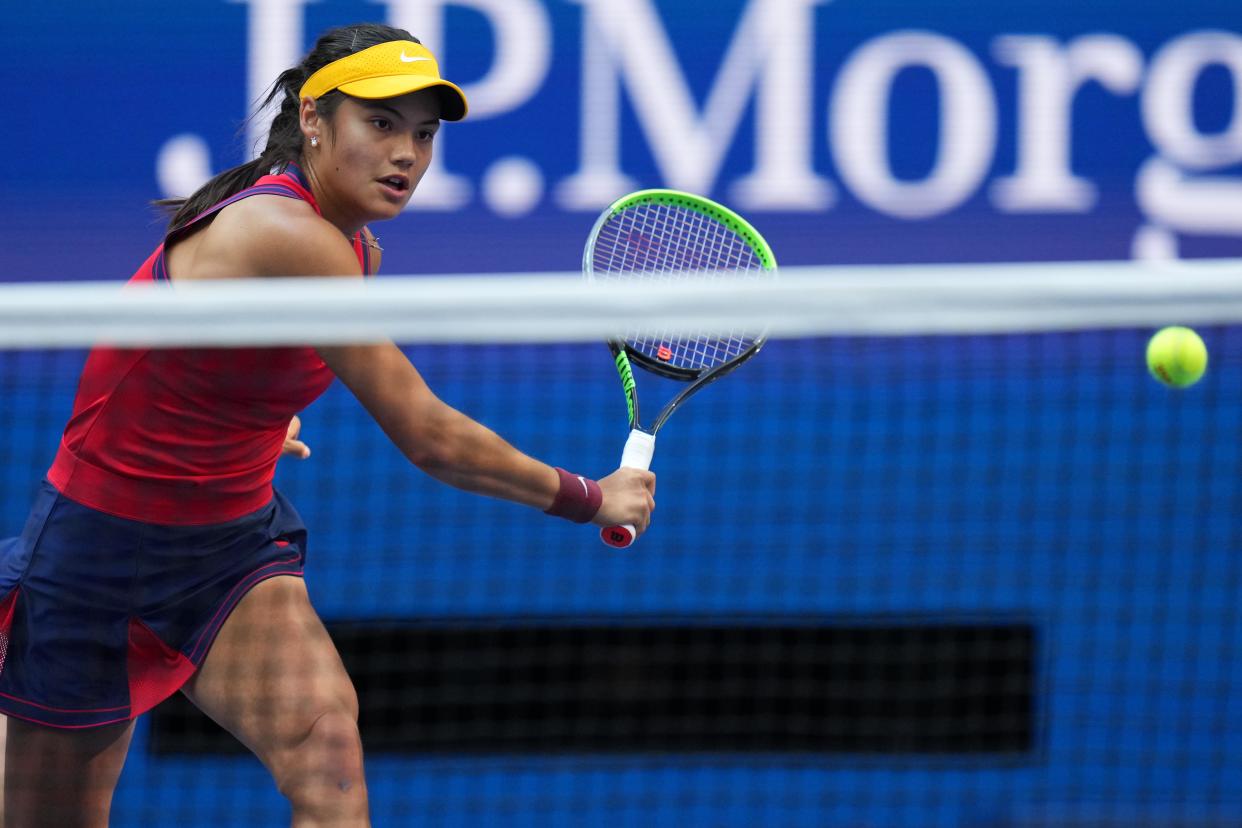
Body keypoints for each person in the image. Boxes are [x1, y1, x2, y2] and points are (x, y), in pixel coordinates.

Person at [0, 22, 655, 828]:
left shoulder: (357, 249)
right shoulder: (286, 233)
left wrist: (249, 419)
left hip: (225, 551)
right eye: (380, 125)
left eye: (422, 134)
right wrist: (592, 497)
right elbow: (429, 437)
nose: (407, 154)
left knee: (327, 752)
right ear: (314, 119)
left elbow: (201, 362)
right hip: (98, 549)